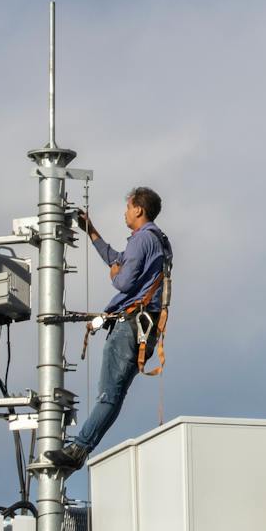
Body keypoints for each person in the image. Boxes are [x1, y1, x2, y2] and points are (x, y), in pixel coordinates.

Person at [45, 187, 172, 471]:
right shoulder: (157, 240)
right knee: (113, 397)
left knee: (108, 395)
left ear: (139, 209)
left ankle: (78, 449)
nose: (125, 212)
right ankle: (81, 448)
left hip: (131, 324)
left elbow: (123, 281)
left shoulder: (141, 241)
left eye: (128, 207)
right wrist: (92, 233)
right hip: (142, 327)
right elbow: (118, 259)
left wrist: (115, 274)